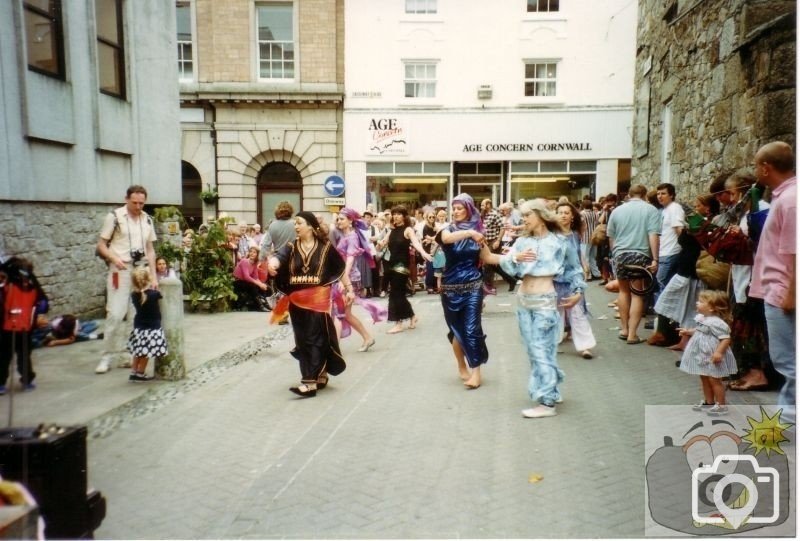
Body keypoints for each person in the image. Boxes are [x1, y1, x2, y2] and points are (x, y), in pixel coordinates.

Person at [481, 199, 585, 418]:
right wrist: (482, 239)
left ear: (540, 215)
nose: (523, 220)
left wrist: (577, 293)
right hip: (523, 302)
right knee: (534, 351)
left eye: (527, 215)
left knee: (540, 349)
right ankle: (552, 389)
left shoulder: (559, 241)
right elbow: (493, 258)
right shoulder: (522, 242)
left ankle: (547, 402)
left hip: (545, 302)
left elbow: (575, 269)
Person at [267, 212, 354, 398]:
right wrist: (273, 263)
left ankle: (309, 382)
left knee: (315, 337)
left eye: (299, 223)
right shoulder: (291, 246)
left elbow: (339, 268)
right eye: (295, 224)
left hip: (318, 300)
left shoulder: (325, 247)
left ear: (311, 226)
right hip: (297, 301)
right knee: (303, 339)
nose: (296, 227)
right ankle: (320, 372)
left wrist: (349, 288)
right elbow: (279, 257)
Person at [749, 141, 796, 415]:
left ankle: (789, 420)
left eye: (757, 165)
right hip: (779, 289)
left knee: (787, 360)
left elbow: (794, 252)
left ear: (766, 168)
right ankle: (787, 417)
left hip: (782, 292)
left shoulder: (790, 200)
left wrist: (791, 293)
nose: (756, 171)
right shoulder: (785, 197)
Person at [95, 185, 158, 374]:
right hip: (120, 269)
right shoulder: (114, 217)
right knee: (115, 313)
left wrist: (153, 276)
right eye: (135, 202)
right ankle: (106, 355)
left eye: (142, 203)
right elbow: (101, 246)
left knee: (136, 315)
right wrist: (114, 258)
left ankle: (127, 353)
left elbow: (150, 250)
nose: (138, 206)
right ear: (126, 199)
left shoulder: (147, 219)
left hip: (140, 271)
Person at [650, 194, 719, 349]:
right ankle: (682, 340)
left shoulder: (708, 225)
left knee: (690, 307)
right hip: (687, 269)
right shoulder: (699, 225)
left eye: (698, 206)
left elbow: (694, 243)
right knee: (678, 305)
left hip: (694, 271)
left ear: (707, 208)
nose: (696, 209)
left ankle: (685, 341)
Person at [436, 194, 490, 389]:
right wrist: (470, 233)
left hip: (473, 286)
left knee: (471, 329)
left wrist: (515, 257)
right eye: (454, 208)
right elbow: (447, 239)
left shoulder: (479, 233)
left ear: (469, 209)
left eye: (460, 208)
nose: (456, 211)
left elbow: (489, 257)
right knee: (457, 332)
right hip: (450, 289)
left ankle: (476, 371)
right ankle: (461, 365)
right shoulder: (446, 229)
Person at [606, 184, 661, 344]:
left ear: (629, 195)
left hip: (620, 255)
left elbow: (611, 236)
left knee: (623, 292)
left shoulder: (617, 210)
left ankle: (623, 329)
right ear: (644, 195)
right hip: (640, 254)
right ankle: (632, 334)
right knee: (637, 294)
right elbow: (653, 235)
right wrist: (655, 258)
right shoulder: (650, 210)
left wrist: (615, 254)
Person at [333, 208, 386, 351]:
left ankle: (334, 350)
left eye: (342, 219)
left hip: (349, 279)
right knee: (345, 314)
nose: (339, 221)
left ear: (350, 221)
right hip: (346, 278)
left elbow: (350, 259)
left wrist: (343, 281)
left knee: (340, 313)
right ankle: (367, 338)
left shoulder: (352, 237)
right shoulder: (346, 235)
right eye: (338, 219)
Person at [678, 290, 737, 416]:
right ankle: (709, 401)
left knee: (715, 380)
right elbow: (700, 330)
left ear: (711, 308)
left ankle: (721, 405)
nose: (697, 303)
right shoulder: (703, 319)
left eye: (701, 302)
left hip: (712, 355)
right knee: (704, 377)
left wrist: (719, 352)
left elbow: (725, 338)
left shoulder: (717, 322)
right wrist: (688, 332)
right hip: (702, 354)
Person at [378, 206, 432, 334]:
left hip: (402, 266)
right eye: (393, 214)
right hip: (391, 264)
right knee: (399, 294)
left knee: (395, 293)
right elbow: (381, 245)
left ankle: (398, 323)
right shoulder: (391, 231)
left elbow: (416, 243)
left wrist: (424, 253)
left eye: (398, 214)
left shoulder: (408, 230)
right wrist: (378, 244)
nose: (395, 216)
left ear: (404, 216)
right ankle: (412, 316)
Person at [554, 202, 596, 359]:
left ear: (572, 216)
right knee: (555, 311)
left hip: (573, 277)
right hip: (555, 278)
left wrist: (584, 266)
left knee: (577, 311)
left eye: (566, 212)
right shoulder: (551, 235)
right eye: (560, 212)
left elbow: (578, 253)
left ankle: (585, 346)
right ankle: (552, 342)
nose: (563, 215)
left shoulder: (575, 234)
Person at [0, 257, 48, 394]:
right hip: (6, 328)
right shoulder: (7, 284)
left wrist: (40, 311)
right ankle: (0, 382)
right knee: (4, 356)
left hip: (25, 327)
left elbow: (43, 302)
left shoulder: (32, 287)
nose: (25, 279)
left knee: (24, 355)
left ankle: (26, 380)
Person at [127, 267, 167, 382]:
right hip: (152, 328)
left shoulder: (134, 295)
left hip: (139, 327)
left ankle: (133, 371)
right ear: (148, 279)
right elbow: (160, 295)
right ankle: (140, 373)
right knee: (146, 353)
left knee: (138, 351)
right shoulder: (154, 294)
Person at [654, 183, 685, 302]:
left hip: (670, 252)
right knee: (665, 284)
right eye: (658, 194)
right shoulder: (665, 210)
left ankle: (662, 318)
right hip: (664, 252)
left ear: (671, 195)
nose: (660, 196)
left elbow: (679, 229)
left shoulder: (674, 208)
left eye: (663, 193)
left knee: (661, 283)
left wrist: (683, 248)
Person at [233, 247, 272, 312]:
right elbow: (246, 277)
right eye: (250, 251)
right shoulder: (244, 261)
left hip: (245, 282)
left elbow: (256, 277)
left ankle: (266, 304)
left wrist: (261, 284)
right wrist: (259, 284)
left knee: (265, 287)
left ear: (257, 255)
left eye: (254, 252)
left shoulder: (254, 264)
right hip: (237, 282)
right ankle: (260, 306)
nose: (252, 253)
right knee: (253, 285)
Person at [479, 199, 504, 294]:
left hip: (493, 240)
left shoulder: (495, 215)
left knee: (489, 264)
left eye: (482, 205)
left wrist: (498, 240)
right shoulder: (482, 215)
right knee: (485, 264)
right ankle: (487, 284)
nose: (481, 207)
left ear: (488, 205)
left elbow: (502, 227)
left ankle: (489, 285)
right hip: (485, 241)